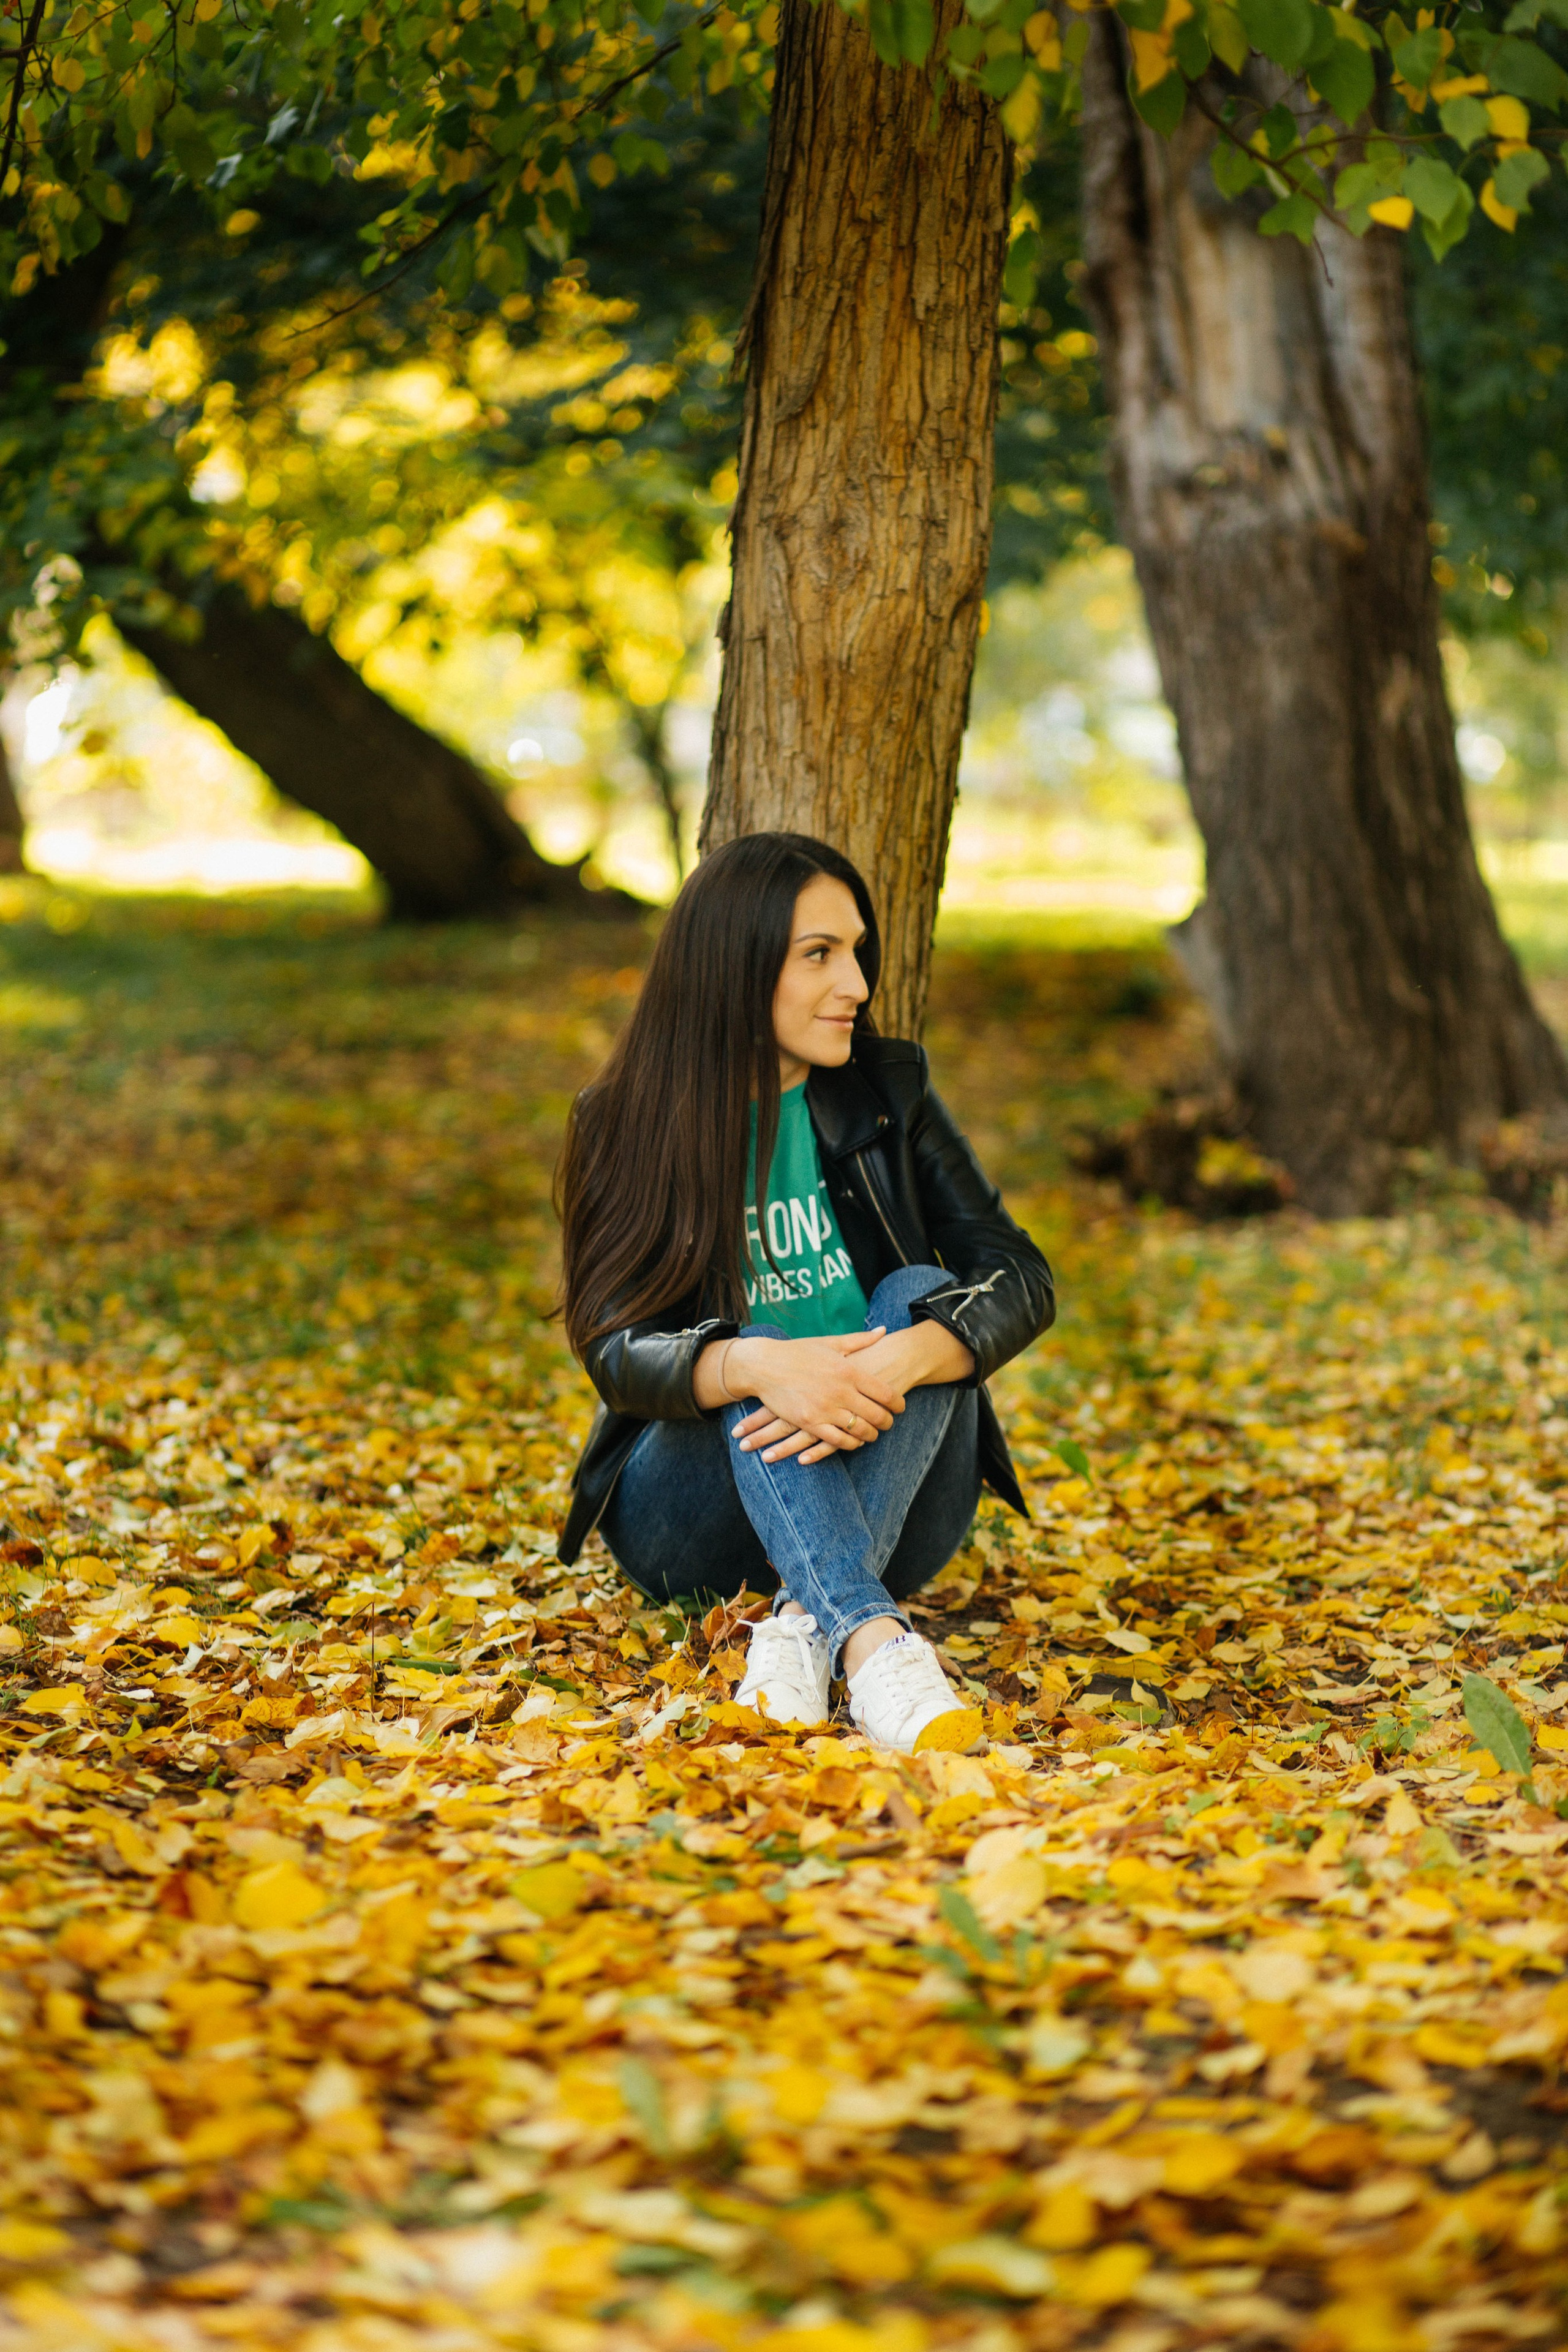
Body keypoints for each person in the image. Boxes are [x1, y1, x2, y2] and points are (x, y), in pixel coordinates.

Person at [555, 832, 1055, 1753]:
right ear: (733, 969)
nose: (856, 985)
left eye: (856, 951)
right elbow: (614, 1347)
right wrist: (759, 1364)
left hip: (895, 1495)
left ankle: (801, 1626)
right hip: (693, 1513)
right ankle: (872, 1643)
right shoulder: (625, 1120)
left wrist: (904, 1357)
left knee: (921, 1290)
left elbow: (1017, 1272)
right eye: (819, 955)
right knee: (767, 1338)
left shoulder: (887, 1092)